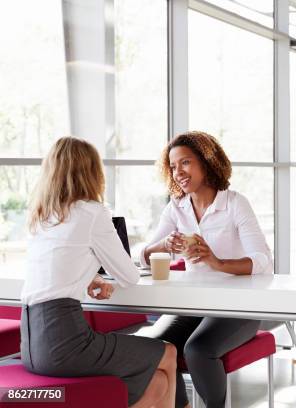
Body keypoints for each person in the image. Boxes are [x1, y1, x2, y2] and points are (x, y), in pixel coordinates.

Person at [21, 136, 177, 408]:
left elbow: (56, 266)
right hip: (66, 342)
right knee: (168, 353)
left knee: (158, 384)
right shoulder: (92, 212)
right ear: (92, 172)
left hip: (32, 347)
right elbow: (128, 276)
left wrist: (89, 277)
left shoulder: (41, 216)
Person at [140, 131, 273, 408]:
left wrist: (217, 263)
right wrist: (162, 245)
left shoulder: (235, 203)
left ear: (207, 162)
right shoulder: (177, 208)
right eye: (173, 167)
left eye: (185, 163)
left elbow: (262, 261)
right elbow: (141, 255)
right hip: (193, 304)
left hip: (239, 308)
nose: (178, 172)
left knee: (198, 349)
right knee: (154, 346)